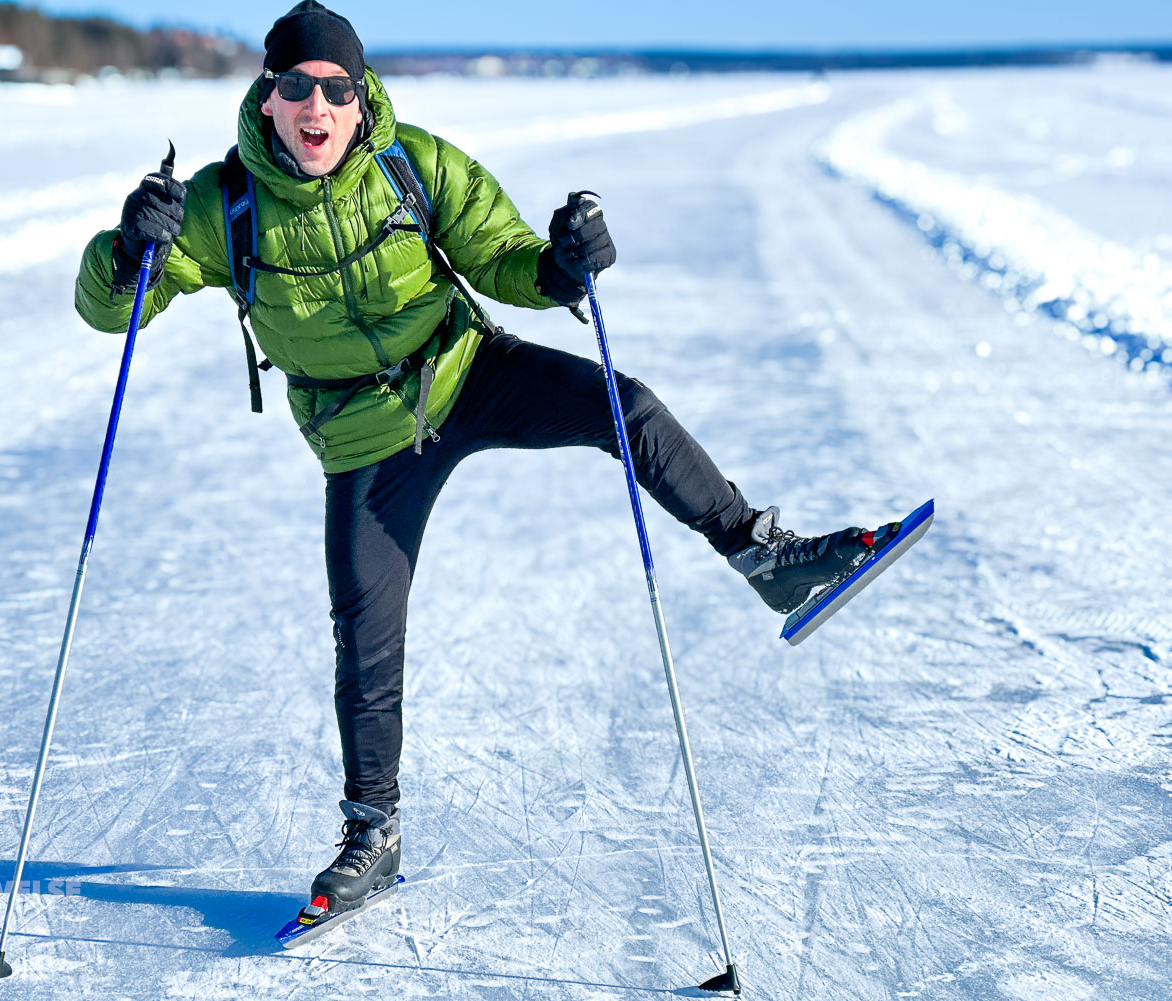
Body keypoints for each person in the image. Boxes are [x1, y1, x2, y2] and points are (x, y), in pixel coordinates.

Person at [75, 1, 889, 915]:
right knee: (366, 634)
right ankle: (373, 832)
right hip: (362, 436)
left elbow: (503, 254)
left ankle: (764, 556)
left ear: (360, 96)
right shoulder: (221, 205)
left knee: (624, 407)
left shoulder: (413, 164)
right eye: (297, 86)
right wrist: (128, 249)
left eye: (337, 89)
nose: (317, 107)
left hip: (466, 370)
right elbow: (112, 309)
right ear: (268, 97)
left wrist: (562, 265)